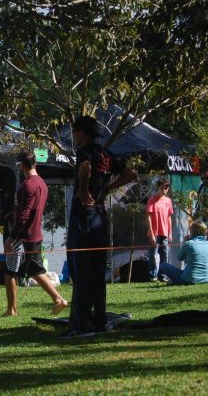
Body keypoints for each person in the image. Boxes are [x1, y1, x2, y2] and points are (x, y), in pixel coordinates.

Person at [63, 116, 136, 338]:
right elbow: (131, 174)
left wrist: (84, 189)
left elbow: (84, 167)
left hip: (84, 216)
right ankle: (99, 320)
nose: (73, 137)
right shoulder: (106, 154)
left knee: (81, 269)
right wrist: (107, 189)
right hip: (100, 215)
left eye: (74, 132)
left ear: (82, 133)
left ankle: (80, 323)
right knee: (97, 270)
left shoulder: (84, 152)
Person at [3, 149, 68, 317]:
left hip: (23, 236)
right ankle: (58, 300)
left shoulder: (28, 185)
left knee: (10, 271)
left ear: (22, 165)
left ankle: (12, 309)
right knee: (35, 270)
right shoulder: (42, 183)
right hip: (36, 234)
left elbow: (23, 216)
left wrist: (11, 238)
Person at [146, 177, 174, 281]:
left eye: (167, 187)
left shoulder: (168, 201)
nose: (165, 190)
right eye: (163, 187)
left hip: (165, 233)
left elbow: (169, 217)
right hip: (154, 232)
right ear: (158, 187)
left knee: (164, 255)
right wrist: (152, 234)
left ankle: (163, 276)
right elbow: (148, 217)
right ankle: (153, 276)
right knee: (152, 255)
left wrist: (170, 233)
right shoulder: (151, 200)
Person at [195, 169, 208, 271]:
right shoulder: (201, 188)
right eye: (202, 178)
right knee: (205, 249)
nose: (204, 180)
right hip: (203, 225)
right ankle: (207, 272)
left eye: (207, 178)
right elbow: (198, 205)